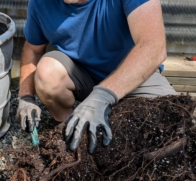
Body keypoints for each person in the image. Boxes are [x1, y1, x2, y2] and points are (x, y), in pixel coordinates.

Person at [16, 0, 177, 154]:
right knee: (47, 72)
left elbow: (154, 46)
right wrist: (26, 98)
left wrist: (102, 95)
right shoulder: (40, 3)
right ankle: (68, 132)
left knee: (173, 127)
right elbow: (33, 49)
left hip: (134, 76)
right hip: (83, 75)